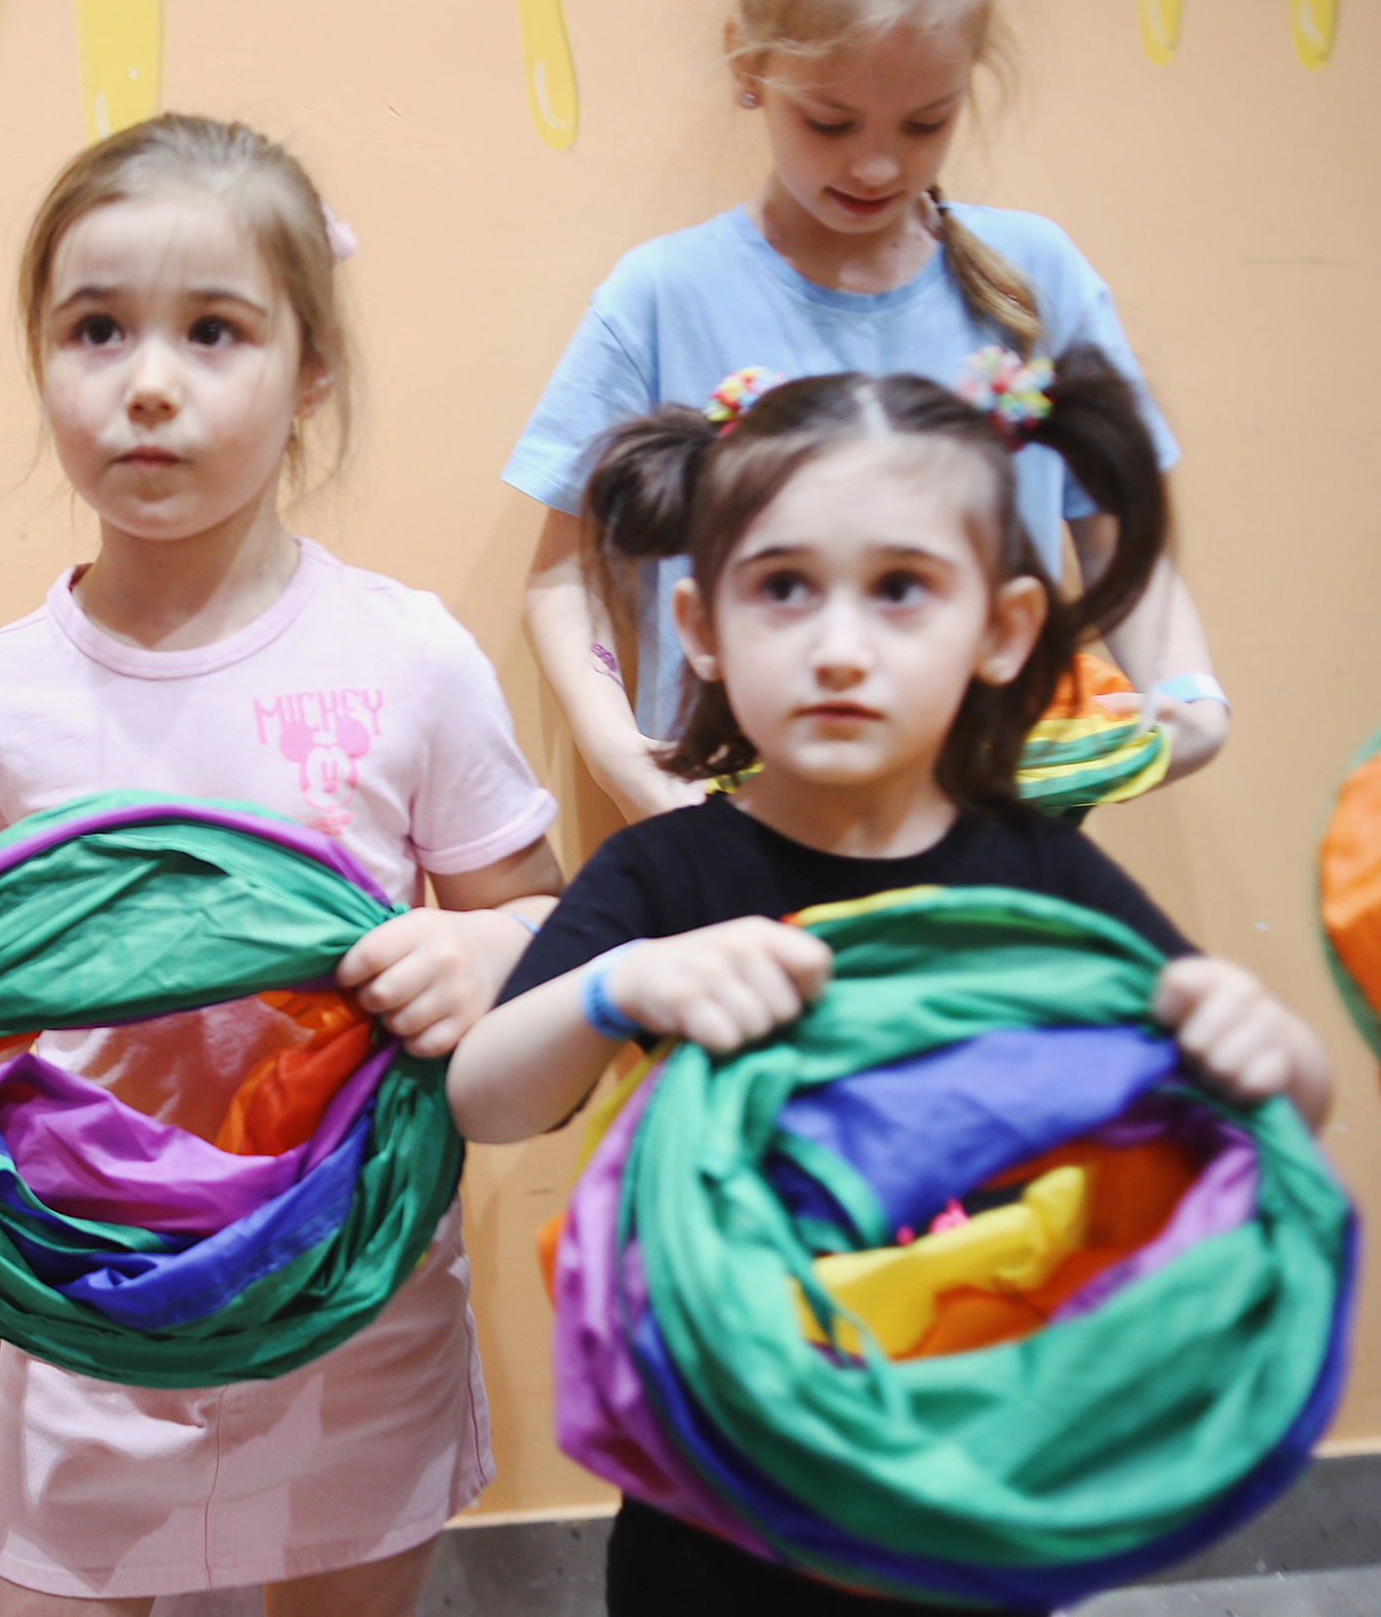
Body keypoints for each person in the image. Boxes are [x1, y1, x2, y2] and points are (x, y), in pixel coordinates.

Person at [448, 349, 1330, 1617]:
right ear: (699, 624)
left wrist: (1271, 1052)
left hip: (967, 1477)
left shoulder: (1044, 881)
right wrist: (622, 986)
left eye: (903, 589)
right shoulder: (665, 872)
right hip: (719, 1510)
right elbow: (481, 1099)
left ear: (1002, 629)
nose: (840, 647)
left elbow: (1264, 1125)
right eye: (785, 589)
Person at [0, 114, 565, 1617]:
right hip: (94, 1298)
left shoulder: (405, 658)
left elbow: (553, 924)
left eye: (213, 330)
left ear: (312, 375)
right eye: (95, 328)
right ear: (40, 362)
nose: (147, 381)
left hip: (346, 1309)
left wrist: (485, 954)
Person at [505, 0, 1227, 822]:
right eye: (830, 120)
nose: (879, 165)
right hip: (740, 851)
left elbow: (1119, 536)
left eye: (927, 122)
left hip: (995, 846)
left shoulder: (1041, 281)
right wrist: (624, 756)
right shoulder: (661, 297)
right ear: (748, 66)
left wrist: (1189, 695)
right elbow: (561, 572)